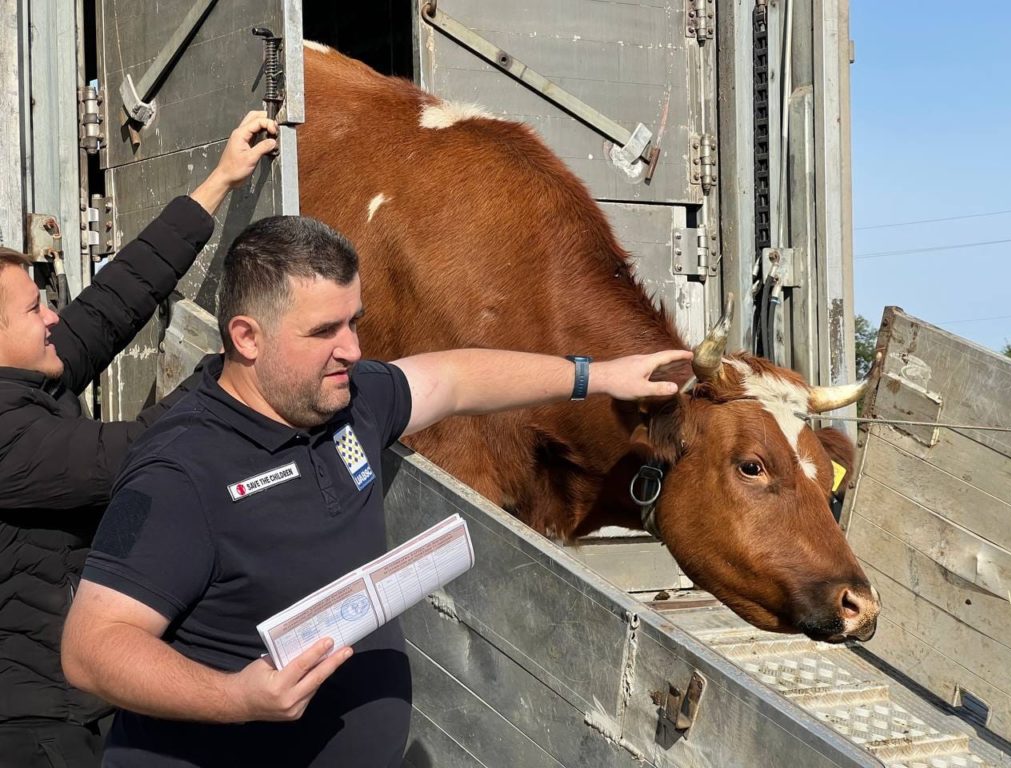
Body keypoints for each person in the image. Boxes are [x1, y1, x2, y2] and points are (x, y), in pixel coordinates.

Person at [60, 215, 692, 767]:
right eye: (324, 332)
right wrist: (233, 698)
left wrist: (602, 375)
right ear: (246, 337)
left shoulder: (347, 399)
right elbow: (93, 648)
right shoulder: (180, 471)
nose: (352, 351)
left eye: (354, 323)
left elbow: (453, 377)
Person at [0, 112, 279, 768]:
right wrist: (244, 366)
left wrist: (219, 180)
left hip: (77, 702)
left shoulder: (27, 380)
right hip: (34, 727)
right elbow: (136, 452)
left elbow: (113, 302)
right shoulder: (5, 440)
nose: (51, 316)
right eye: (31, 310)